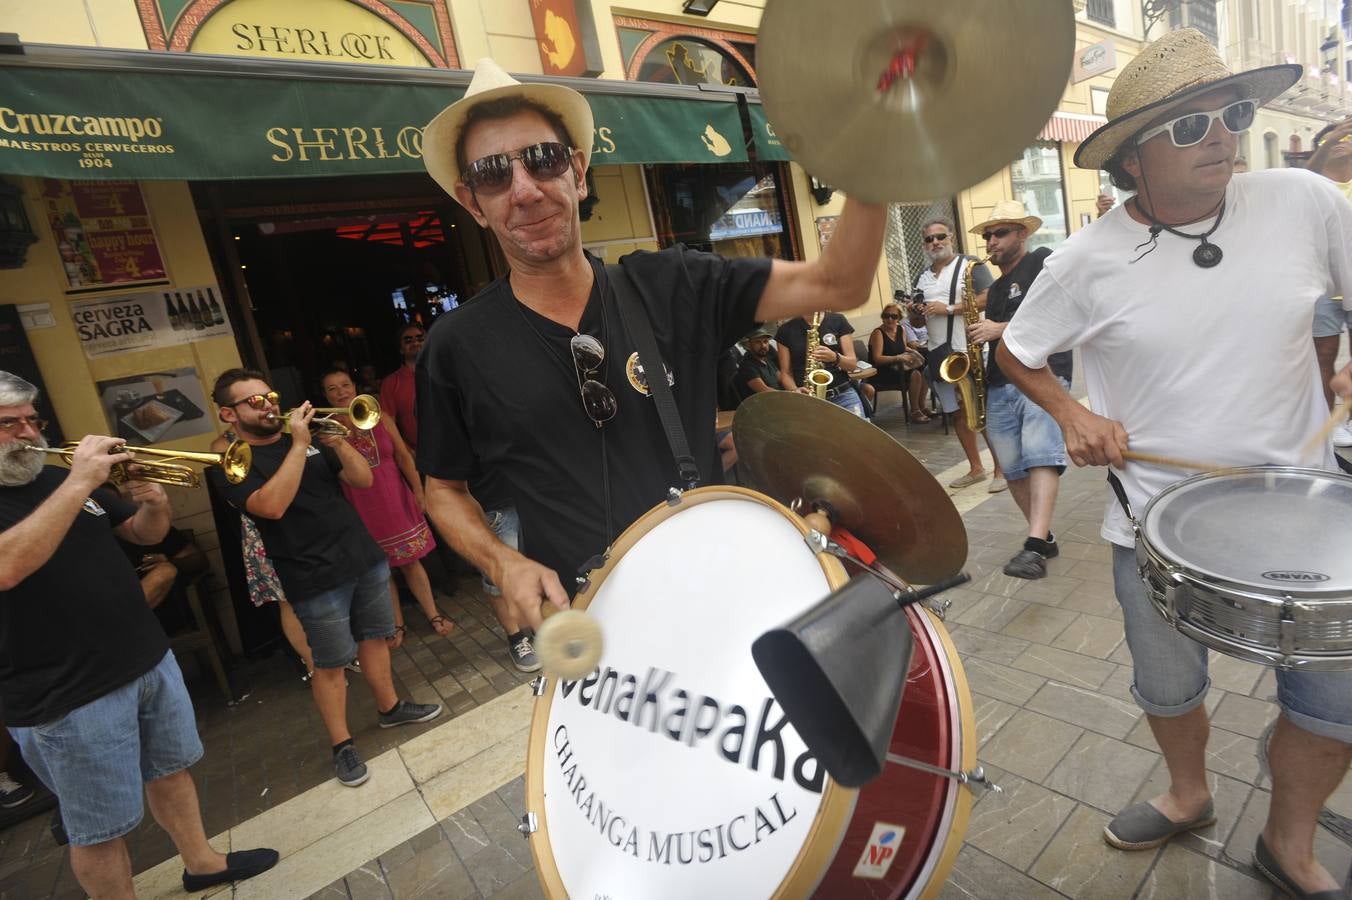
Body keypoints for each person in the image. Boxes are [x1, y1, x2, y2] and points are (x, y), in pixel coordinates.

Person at [997, 29, 1352, 897]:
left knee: (1338, 705)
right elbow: (1017, 352)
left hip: (1304, 508)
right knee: (1166, 687)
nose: (1225, 138)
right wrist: (1072, 412)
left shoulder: (1304, 199)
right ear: (1131, 156)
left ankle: (1287, 841)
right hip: (1157, 519)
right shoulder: (1083, 261)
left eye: (1231, 115)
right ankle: (1189, 793)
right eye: (1191, 126)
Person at [415, 58, 888, 631]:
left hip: (724, 596)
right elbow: (441, 487)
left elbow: (841, 282)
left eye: (544, 160)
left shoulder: (673, 286)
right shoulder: (456, 345)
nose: (524, 190)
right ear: (473, 204)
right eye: (494, 174)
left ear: (579, 172)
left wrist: (875, 142)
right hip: (594, 634)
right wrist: (503, 561)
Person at [0, 371, 278, 897]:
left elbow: (142, 535)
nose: (29, 433)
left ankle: (202, 863)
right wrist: (82, 480)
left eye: (31, 420)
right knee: (100, 829)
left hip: (145, 659)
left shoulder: (55, 476)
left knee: (171, 772)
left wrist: (155, 504)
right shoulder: (68, 480)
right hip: (66, 692)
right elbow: (8, 567)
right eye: (9, 424)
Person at [210, 368, 441, 789]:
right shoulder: (231, 463)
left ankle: (389, 708)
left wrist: (338, 442)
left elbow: (362, 479)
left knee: (375, 637)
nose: (268, 405)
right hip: (311, 573)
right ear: (229, 414)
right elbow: (271, 506)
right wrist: (299, 445)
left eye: (270, 395)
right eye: (254, 401)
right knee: (330, 662)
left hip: (361, 555)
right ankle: (342, 745)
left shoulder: (314, 442)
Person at [965, 200, 1070, 579]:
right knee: (1012, 469)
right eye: (988, 235)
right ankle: (1042, 536)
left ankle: (1034, 545)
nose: (991, 241)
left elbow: (1058, 317)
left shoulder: (1041, 262)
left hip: (1041, 375)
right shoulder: (993, 291)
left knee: (1041, 454)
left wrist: (999, 329)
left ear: (1022, 234)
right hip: (999, 383)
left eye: (1000, 233)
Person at [319, 368, 452, 646]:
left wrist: (418, 489)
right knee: (381, 569)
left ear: (355, 386)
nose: (341, 391)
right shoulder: (325, 428)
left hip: (393, 497)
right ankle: (396, 624)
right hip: (357, 504)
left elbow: (403, 456)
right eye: (333, 388)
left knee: (411, 562)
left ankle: (433, 614)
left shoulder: (379, 416)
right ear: (325, 395)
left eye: (345, 385)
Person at [914, 218, 1004, 490]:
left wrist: (949, 308)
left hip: (969, 349)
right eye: (930, 239)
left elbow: (989, 297)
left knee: (980, 410)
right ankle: (976, 468)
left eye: (940, 236)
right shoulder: (923, 276)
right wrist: (915, 313)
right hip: (939, 353)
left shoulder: (969, 264)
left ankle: (1001, 469)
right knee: (957, 413)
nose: (935, 242)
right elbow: (919, 322)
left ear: (951, 237)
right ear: (924, 244)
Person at [1305, 117, 1352, 448]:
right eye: (1333, 140)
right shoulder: (1313, 183)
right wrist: (1330, 137)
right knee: (1323, 358)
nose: (1341, 143)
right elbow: (1304, 176)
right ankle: (1326, 424)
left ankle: (1348, 421)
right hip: (1320, 286)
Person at [775, 311, 864, 416]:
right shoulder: (785, 330)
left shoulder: (838, 320)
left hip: (843, 396)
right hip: (809, 400)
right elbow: (785, 373)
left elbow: (852, 365)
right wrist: (794, 390)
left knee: (858, 432)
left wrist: (835, 358)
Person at [867, 302, 923, 412]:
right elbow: (877, 358)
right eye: (886, 316)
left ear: (899, 318)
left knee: (923, 369)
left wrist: (914, 351)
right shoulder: (878, 333)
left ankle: (922, 406)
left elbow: (902, 347)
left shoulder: (900, 329)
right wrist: (898, 358)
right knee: (915, 374)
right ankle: (915, 411)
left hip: (898, 368)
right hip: (882, 372)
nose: (890, 319)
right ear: (882, 318)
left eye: (894, 316)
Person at [380, 323, 426, 453]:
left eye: (420, 338)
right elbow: (389, 427)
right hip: (421, 456)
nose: (415, 343)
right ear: (401, 349)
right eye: (408, 340)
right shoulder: (390, 383)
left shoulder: (444, 372)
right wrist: (408, 453)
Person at [734, 325, 779, 402]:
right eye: (758, 342)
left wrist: (795, 390)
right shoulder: (747, 366)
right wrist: (792, 394)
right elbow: (765, 391)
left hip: (777, 401)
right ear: (748, 344)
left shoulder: (768, 361)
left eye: (765, 341)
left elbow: (781, 378)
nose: (763, 346)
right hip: (761, 408)